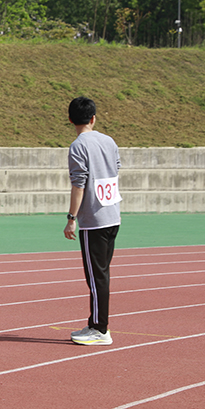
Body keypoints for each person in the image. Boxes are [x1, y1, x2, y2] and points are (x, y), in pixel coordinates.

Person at [63, 96, 121, 346]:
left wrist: (71, 218)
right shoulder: (109, 141)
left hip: (94, 220)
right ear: (93, 118)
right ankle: (96, 323)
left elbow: (79, 183)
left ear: (70, 120)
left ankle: (100, 328)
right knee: (101, 275)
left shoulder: (78, 146)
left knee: (97, 278)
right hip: (113, 216)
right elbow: (116, 169)